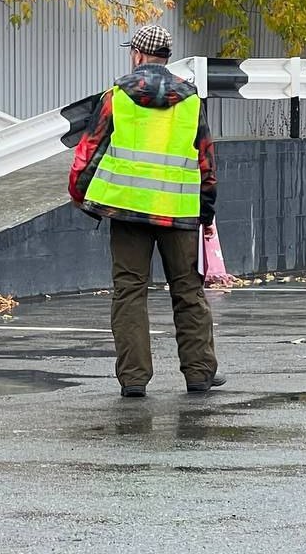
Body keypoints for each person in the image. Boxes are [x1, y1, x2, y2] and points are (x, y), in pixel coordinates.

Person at [68, 24, 225, 398]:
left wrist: (80, 194)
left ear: (137, 55)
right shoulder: (191, 100)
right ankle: (199, 373)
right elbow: (206, 161)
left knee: (129, 292)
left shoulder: (116, 97)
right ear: (166, 58)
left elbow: (88, 151)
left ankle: (134, 379)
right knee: (188, 290)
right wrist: (206, 213)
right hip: (178, 212)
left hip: (128, 213)